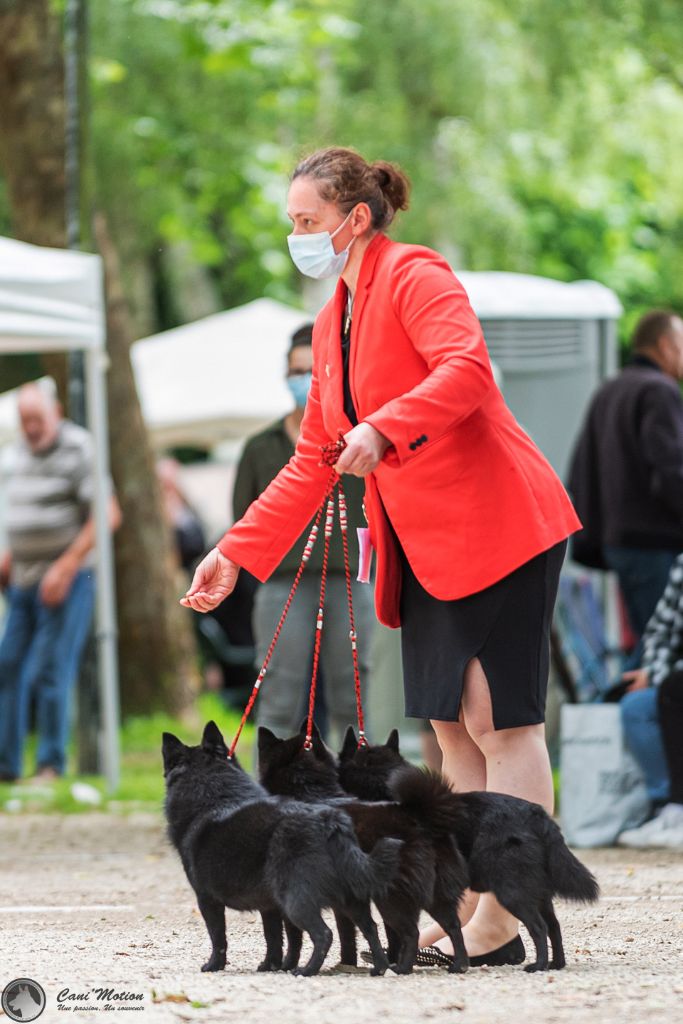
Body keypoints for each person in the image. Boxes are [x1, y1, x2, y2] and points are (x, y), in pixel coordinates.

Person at [181, 147, 580, 965]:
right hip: (422, 544)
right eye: (291, 222)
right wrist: (235, 553)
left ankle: (506, 914)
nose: (296, 236)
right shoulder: (334, 317)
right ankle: (470, 904)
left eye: (306, 221)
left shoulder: (416, 275)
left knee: (497, 720)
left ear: (354, 218)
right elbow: (311, 459)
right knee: (446, 729)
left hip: (498, 521)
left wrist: (385, 425)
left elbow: (466, 369)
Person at [231, 323, 371, 746]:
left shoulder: (359, 438)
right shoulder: (260, 446)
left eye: (312, 371)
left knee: (354, 695)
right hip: (281, 582)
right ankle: (268, 804)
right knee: (278, 694)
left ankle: (359, 801)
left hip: (349, 578)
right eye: (296, 371)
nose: (303, 381)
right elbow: (242, 517)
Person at [0, 382, 121, 782]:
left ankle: (51, 763)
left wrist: (67, 566)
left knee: (51, 670)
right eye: (24, 421)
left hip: (68, 578)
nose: (31, 427)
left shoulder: (78, 448)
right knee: (8, 666)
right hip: (22, 578)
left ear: (56, 412)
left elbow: (107, 514)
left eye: (36, 419)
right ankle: (6, 765)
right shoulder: (16, 453)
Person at [568, 310, 683, 659]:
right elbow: (671, 470)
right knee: (661, 651)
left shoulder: (611, 388)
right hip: (654, 544)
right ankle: (635, 713)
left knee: (646, 644)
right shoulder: (659, 390)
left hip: (617, 544)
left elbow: (580, 469)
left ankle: (627, 708)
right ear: (664, 345)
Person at [616, 554, 683, 849]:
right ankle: (667, 807)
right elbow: (659, 630)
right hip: (672, 673)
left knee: (673, 688)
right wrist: (653, 671)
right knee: (636, 707)